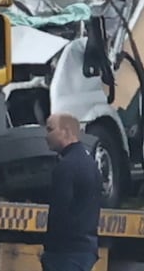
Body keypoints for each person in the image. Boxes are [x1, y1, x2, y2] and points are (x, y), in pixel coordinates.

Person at [41, 113, 103, 271]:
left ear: (66, 131)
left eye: (50, 130)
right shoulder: (91, 164)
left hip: (65, 253)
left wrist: (48, 247)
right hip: (85, 248)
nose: (46, 136)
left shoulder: (66, 167)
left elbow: (60, 211)